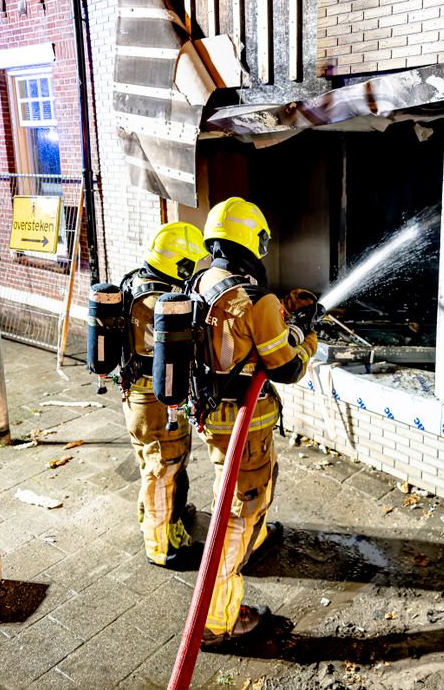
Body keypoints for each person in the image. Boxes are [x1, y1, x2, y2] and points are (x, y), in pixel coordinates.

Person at [195, 197, 318, 648]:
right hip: (246, 428)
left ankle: (256, 538)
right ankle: (217, 620)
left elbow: (238, 335)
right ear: (252, 240)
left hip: (215, 417)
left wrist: (284, 309)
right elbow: (285, 367)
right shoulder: (256, 299)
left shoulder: (204, 280)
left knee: (243, 500)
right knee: (235, 517)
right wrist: (309, 337)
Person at [121, 222, 208, 568]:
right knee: (163, 468)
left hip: (137, 398)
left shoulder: (135, 282)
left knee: (152, 465)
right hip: (156, 404)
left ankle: (161, 521)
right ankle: (161, 546)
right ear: (181, 265)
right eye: (192, 265)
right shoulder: (160, 302)